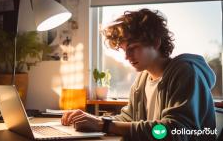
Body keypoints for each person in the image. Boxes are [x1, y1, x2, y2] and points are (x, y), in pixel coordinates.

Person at [61, 9, 217, 140]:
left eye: (133, 48)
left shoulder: (186, 72)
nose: (126, 56)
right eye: (123, 49)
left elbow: (174, 132)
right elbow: (128, 119)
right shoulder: (142, 79)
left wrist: (105, 125)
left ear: (156, 42)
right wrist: (95, 120)